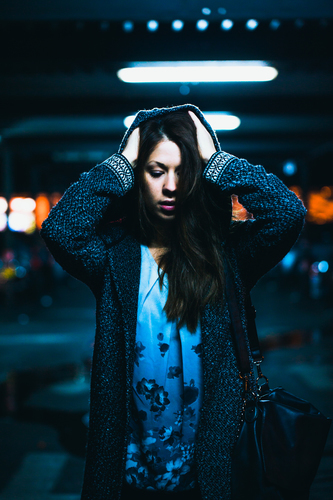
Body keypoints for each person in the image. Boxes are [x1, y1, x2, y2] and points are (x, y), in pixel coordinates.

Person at [40, 104, 306, 500]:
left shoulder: (228, 256)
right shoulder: (115, 260)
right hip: (126, 477)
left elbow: (286, 214)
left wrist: (215, 160)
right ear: (137, 175)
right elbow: (61, 229)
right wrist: (121, 160)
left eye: (184, 171)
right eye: (156, 170)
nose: (171, 187)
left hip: (211, 476)